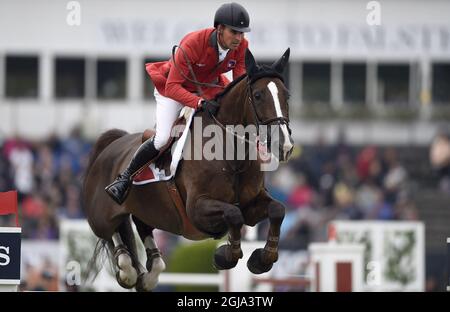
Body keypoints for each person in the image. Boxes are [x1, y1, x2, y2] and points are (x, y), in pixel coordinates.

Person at [105, 2, 251, 205]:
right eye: (234, 32)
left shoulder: (242, 46)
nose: (239, 38)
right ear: (219, 29)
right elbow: (173, 87)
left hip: (207, 86)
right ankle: (124, 179)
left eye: (242, 33)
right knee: (162, 138)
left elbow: (239, 81)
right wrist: (199, 102)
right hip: (172, 89)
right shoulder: (192, 44)